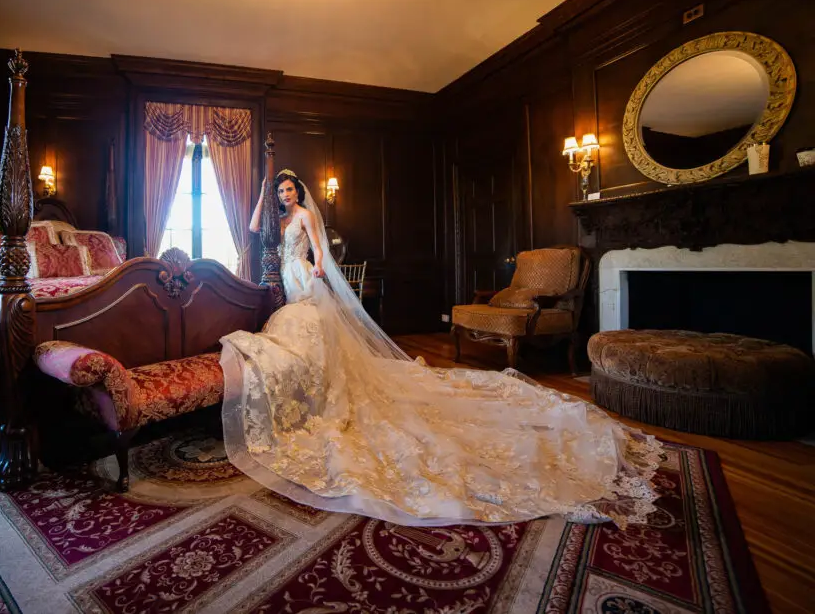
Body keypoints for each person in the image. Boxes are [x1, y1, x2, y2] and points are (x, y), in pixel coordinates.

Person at [220, 170, 663, 528]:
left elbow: (319, 250)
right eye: (280, 190)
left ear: (299, 191)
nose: (285, 194)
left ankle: (324, 381)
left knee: (311, 329)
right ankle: (311, 382)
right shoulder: (275, 217)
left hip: (302, 277)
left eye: (289, 188)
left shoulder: (304, 216)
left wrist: (317, 269)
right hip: (282, 279)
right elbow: (253, 227)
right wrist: (260, 193)